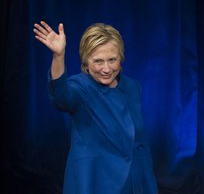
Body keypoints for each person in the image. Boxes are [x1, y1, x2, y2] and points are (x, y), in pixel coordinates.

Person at [33, 21, 158, 194]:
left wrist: (148, 186)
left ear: (121, 58)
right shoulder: (81, 87)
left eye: (112, 60)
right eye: (98, 61)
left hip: (132, 183)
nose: (106, 68)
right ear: (86, 61)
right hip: (94, 182)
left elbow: (140, 143)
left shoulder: (132, 87)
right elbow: (60, 97)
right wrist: (58, 56)